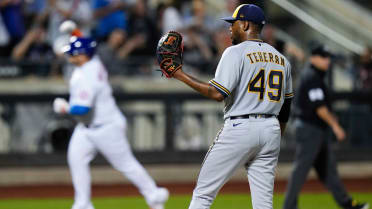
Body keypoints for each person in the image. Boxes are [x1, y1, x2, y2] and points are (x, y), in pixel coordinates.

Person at [171, 4, 293, 209]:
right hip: (271, 129)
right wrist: (274, 137)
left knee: (203, 195)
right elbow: (286, 107)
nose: (230, 28)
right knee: (264, 204)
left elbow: (217, 93)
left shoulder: (234, 52)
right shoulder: (282, 60)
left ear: (245, 24)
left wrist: (178, 73)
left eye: (233, 23)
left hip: (241, 127)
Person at [53, 36, 168, 209]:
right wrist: (73, 32)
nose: (70, 56)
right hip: (86, 128)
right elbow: (88, 46)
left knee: (126, 164)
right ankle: (82, 203)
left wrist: (65, 108)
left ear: (84, 55)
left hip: (106, 128)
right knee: (76, 158)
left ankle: (154, 196)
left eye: (74, 53)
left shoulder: (87, 76)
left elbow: (82, 108)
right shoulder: (93, 61)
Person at [283, 43, 369, 209]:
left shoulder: (314, 75)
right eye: (324, 57)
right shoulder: (311, 76)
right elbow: (319, 107)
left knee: (329, 171)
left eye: (328, 57)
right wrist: (336, 126)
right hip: (309, 129)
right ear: (314, 58)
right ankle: (288, 207)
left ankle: (346, 203)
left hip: (316, 129)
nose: (327, 60)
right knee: (300, 170)